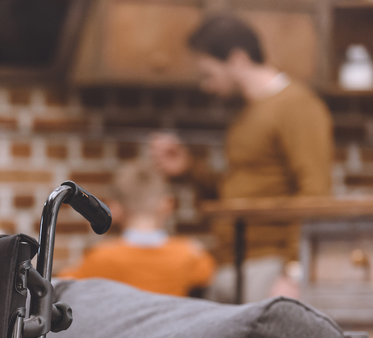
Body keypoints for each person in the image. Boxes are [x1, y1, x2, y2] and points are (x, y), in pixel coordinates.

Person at [150, 14, 333, 267]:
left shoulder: (297, 106)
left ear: (238, 59)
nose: (206, 85)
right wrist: (189, 169)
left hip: (271, 261)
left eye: (208, 73)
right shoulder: (248, 113)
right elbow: (240, 191)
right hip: (237, 259)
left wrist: (294, 268)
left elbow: (316, 191)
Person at [60, 161, 215, 297]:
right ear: (168, 205)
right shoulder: (190, 254)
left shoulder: (102, 257)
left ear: (115, 208)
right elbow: (207, 275)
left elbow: (63, 283)